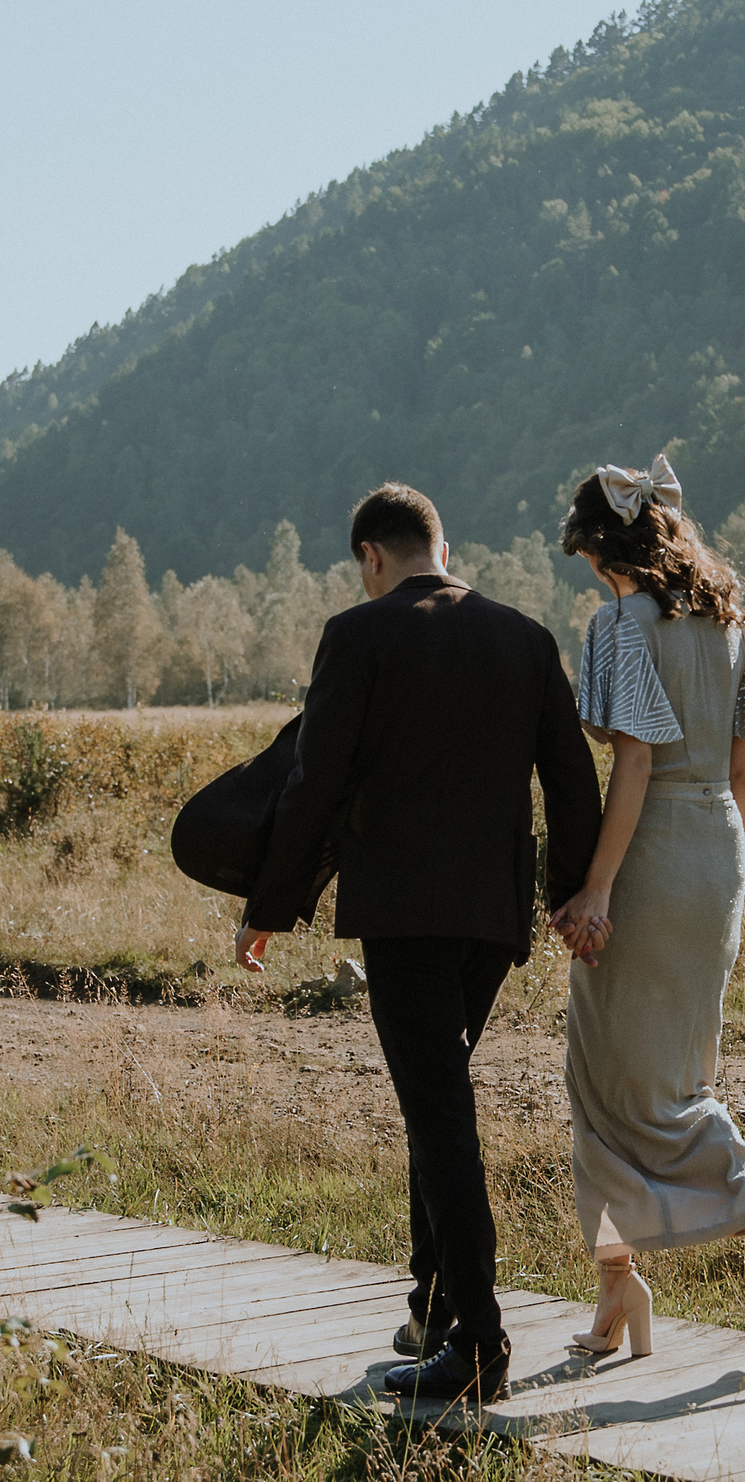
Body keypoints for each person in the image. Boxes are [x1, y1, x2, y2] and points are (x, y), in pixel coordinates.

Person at [243, 482, 601, 1405]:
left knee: (440, 1115)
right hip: (491, 918)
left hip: (402, 914)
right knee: (434, 1098)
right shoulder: (524, 636)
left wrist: (270, 904)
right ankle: (433, 1311)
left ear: (372, 555)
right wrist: (571, 895)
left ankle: (477, 1344)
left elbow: (315, 782)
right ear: (441, 544)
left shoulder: (357, 637)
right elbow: (570, 778)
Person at [550, 455, 745, 1360]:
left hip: (652, 852)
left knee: (611, 1087)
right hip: (718, 854)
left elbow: (632, 764)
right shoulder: (730, 625)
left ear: (604, 547)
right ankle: (616, 1291)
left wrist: (598, 885)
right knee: (657, 1078)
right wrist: (721, 871)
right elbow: (744, 774)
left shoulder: (625, 624)